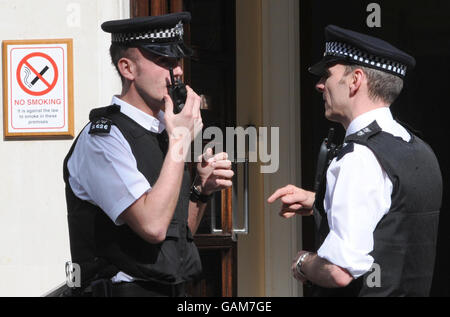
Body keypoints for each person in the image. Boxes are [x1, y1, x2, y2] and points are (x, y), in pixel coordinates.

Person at [63, 12, 234, 297]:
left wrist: (200, 192)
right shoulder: (103, 139)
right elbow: (152, 226)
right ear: (127, 68)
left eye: (178, 61)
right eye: (164, 61)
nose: (177, 71)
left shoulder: (163, 133)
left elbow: (171, 241)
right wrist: (179, 140)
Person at [268, 25, 442, 296]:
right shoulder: (418, 148)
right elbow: (390, 215)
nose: (320, 85)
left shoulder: (359, 157)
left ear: (355, 80)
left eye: (328, 75)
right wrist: (320, 201)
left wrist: (303, 263)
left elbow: (339, 270)